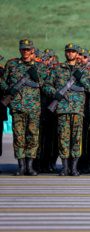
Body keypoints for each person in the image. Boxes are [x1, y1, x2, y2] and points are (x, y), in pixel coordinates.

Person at [43, 43, 90, 176]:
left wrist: (82, 77)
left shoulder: (85, 71)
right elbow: (46, 86)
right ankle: (65, 167)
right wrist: (55, 93)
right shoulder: (57, 69)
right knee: (63, 139)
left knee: (76, 139)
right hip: (62, 109)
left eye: (73, 52)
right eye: (68, 51)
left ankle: (74, 167)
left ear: (77, 54)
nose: (70, 54)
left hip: (78, 110)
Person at [0, 39, 45, 176]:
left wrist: (38, 77)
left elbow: (46, 85)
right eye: (23, 49)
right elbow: (2, 80)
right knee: (19, 137)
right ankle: (21, 166)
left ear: (32, 50)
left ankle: (30, 167)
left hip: (33, 108)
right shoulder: (11, 64)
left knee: (32, 137)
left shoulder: (39, 67)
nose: (25, 51)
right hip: (17, 107)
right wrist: (8, 90)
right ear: (20, 50)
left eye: (28, 49)